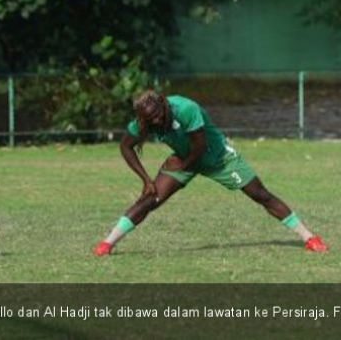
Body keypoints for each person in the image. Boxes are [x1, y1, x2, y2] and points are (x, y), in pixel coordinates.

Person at [95, 90, 328, 255]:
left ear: (164, 105)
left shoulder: (185, 108)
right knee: (150, 198)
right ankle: (107, 244)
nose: (157, 120)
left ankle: (309, 237)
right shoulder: (144, 122)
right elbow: (125, 146)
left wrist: (184, 165)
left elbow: (200, 146)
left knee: (260, 194)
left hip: (218, 157)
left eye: (159, 114)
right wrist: (146, 180)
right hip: (184, 159)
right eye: (151, 119)